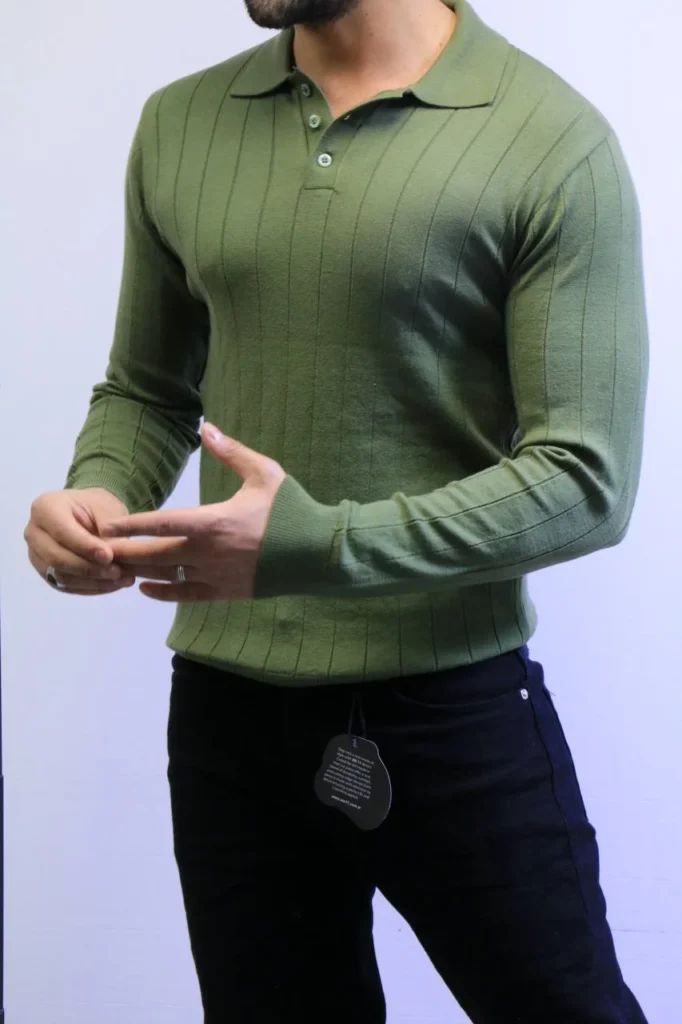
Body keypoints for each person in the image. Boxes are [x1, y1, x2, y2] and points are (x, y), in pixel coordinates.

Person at [24, 0, 651, 1020]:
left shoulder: (551, 139)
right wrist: (98, 490)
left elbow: (585, 480)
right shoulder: (181, 121)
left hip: (448, 708)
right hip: (225, 714)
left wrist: (316, 546)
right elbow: (148, 389)